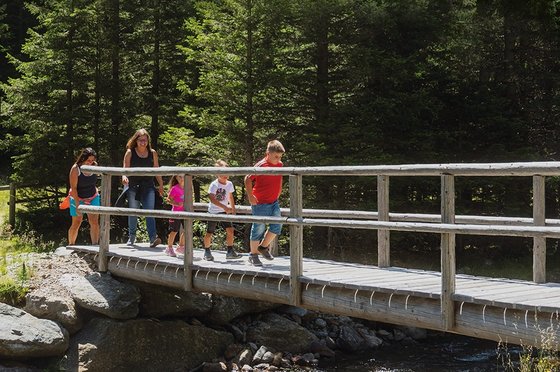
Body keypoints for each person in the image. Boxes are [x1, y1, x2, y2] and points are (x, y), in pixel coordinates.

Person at [244, 140, 285, 266]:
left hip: (273, 202)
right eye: (276, 156)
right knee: (258, 228)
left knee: (277, 225)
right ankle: (253, 254)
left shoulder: (280, 165)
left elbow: (280, 178)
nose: (278, 159)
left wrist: (279, 190)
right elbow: (247, 179)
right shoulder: (261, 165)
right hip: (260, 203)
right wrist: (250, 196)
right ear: (268, 153)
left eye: (280, 157)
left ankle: (263, 247)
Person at [121, 128, 164, 247]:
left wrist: (160, 185)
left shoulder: (152, 153)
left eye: (145, 140)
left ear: (148, 141)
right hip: (133, 185)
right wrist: (124, 176)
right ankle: (132, 237)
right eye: (140, 140)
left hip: (148, 185)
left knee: (149, 211)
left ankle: (152, 238)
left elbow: (156, 169)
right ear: (136, 140)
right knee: (133, 211)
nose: (143, 142)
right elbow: (125, 167)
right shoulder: (130, 152)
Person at [203, 160, 241, 261]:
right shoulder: (214, 185)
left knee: (230, 230)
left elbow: (230, 196)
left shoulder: (229, 184)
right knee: (210, 232)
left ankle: (230, 251)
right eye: (222, 173)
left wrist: (233, 209)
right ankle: (207, 251)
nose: (225, 175)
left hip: (224, 212)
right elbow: (212, 198)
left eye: (226, 172)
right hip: (213, 212)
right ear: (217, 174)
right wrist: (224, 207)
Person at [67, 148, 100, 245]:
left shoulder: (95, 166)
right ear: (83, 158)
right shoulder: (75, 169)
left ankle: (95, 244)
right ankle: (71, 244)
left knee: (94, 222)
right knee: (77, 222)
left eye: (92, 160)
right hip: (78, 197)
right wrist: (77, 205)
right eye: (88, 160)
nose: (90, 163)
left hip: (92, 196)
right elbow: (74, 188)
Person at [166, 175, 186, 257]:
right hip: (176, 213)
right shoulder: (175, 188)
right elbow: (168, 199)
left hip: (185, 212)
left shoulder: (187, 188)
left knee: (187, 230)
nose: (181, 179)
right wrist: (176, 203)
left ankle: (181, 247)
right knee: (174, 231)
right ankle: (169, 248)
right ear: (176, 178)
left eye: (183, 177)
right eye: (179, 177)